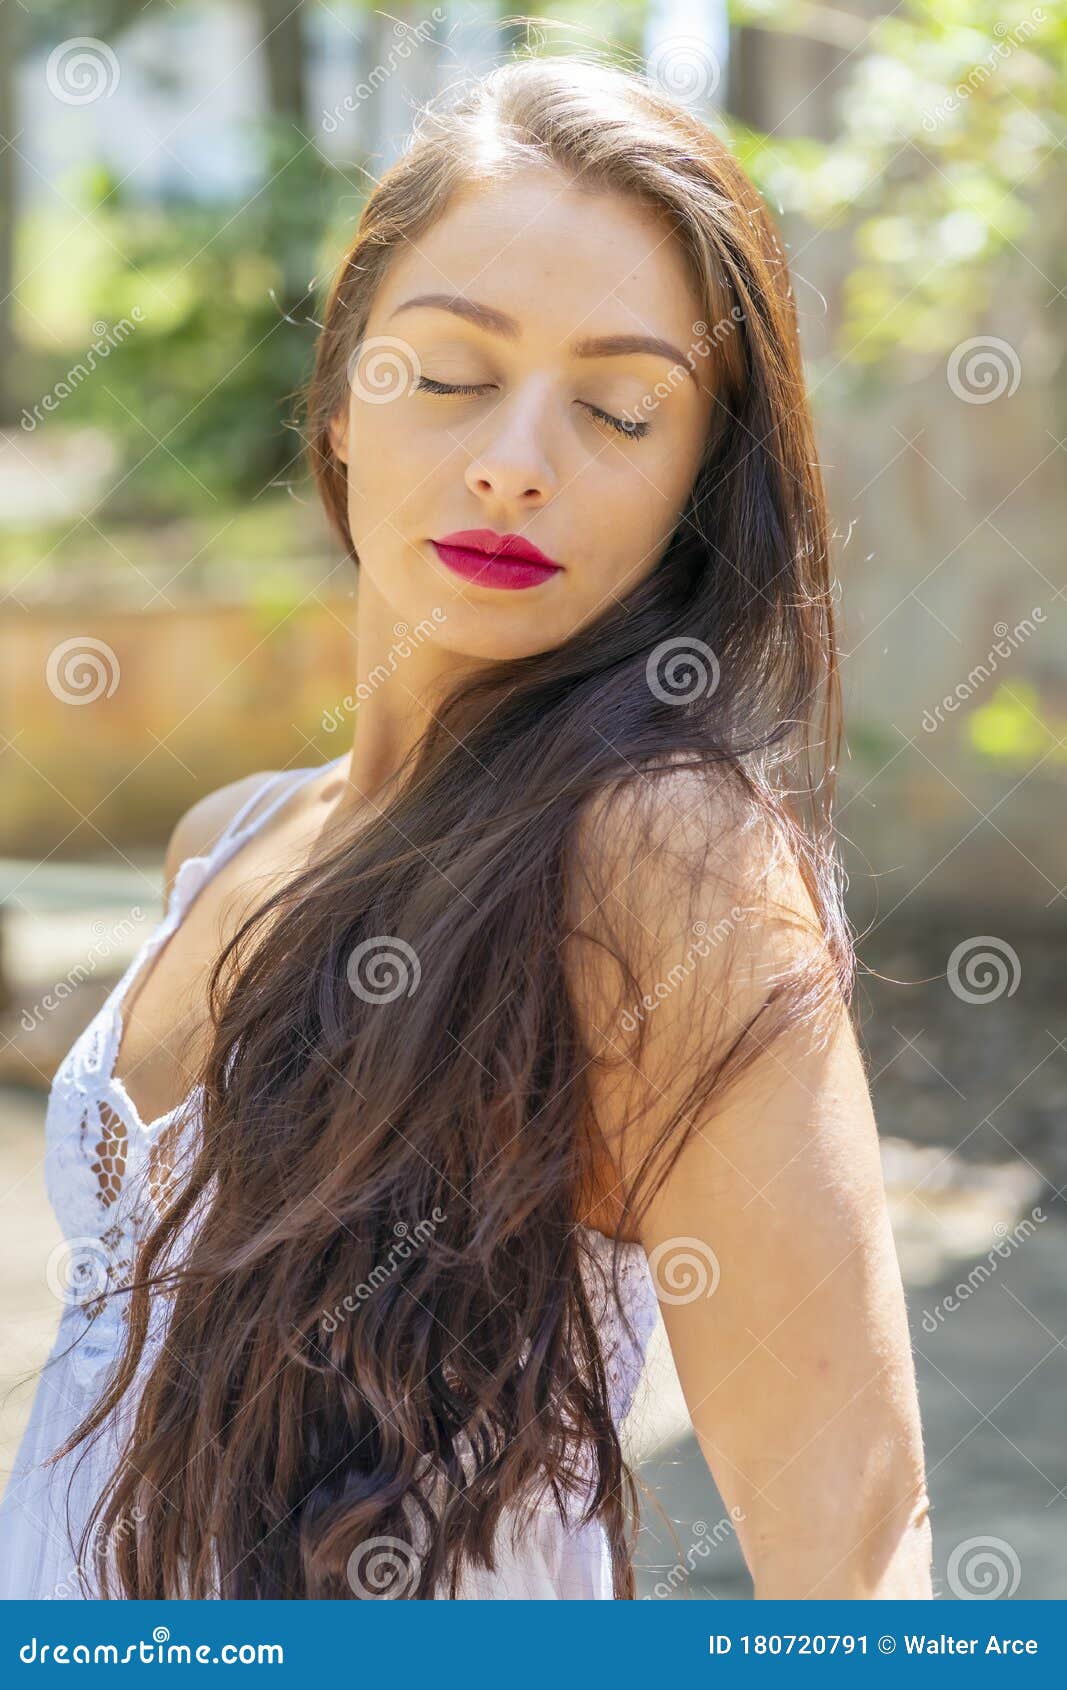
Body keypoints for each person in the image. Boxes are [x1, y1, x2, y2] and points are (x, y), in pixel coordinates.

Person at [0, 54, 931, 1600]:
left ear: (696, 487)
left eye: (621, 410)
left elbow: (855, 1544)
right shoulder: (226, 842)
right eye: (447, 374)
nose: (516, 458)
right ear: (342, 399)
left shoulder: (662, 855)